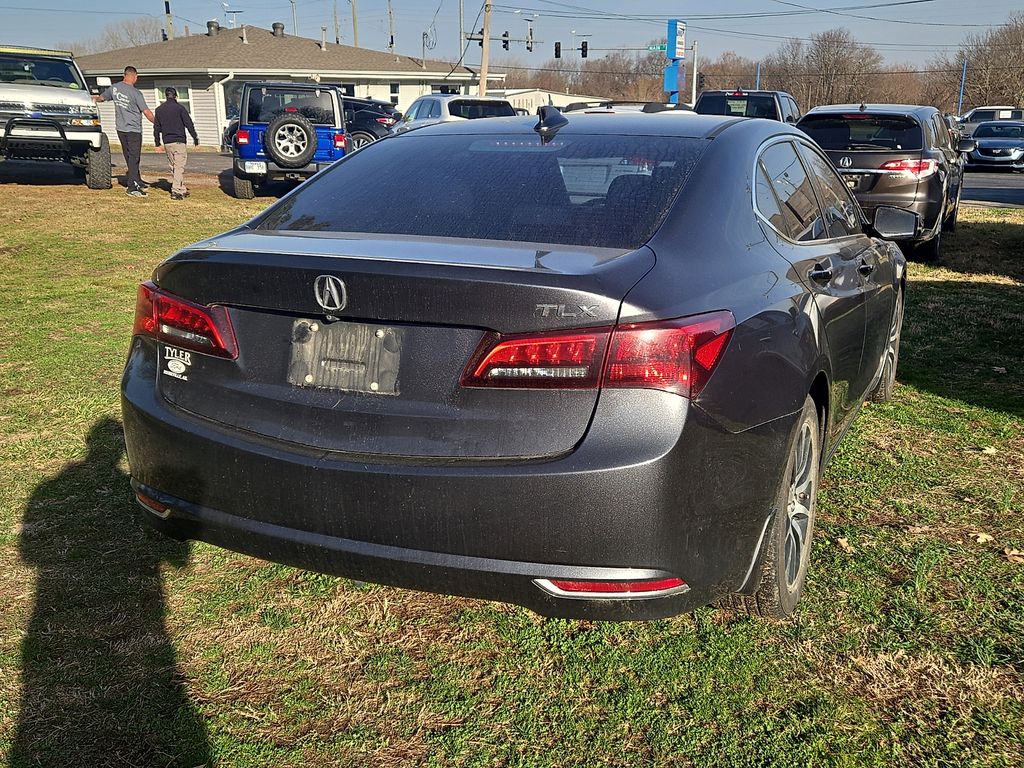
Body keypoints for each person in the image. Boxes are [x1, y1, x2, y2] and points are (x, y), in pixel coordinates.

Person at [93, 66, 155, 197]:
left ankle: (136, 180)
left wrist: (92, 99)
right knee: (134, 157)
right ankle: (132, 187)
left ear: (124, 75)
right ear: (134, 76)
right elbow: (146, 111)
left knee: (129, 156)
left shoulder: (115, 88)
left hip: (120, 129)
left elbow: (101, 98)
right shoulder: (136, 93)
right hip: (133, 130)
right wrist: (159, 123)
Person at [153, 87, 199, 200]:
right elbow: (189, 124)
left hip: (167, 142)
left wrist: (157, 142)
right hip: (179, 141)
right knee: (179, 167)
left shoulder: (159, 110)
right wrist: (195, 137)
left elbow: (156, 128)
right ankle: (176, 191)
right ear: (176, 96)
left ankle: (181, 188)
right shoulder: (180, 108)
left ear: (165, 96)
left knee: (174, 167)